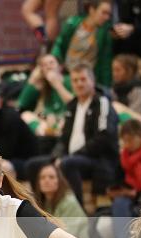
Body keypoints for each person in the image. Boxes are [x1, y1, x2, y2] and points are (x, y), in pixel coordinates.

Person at [26, 63, 120, 209]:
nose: (79, 84)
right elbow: (63, 139)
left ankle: (78, 212)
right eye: (75, 80)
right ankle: (42, 210)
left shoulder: (102, 103)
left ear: (92, 81)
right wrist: (56, 156)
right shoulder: (73, 105)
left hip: (97, 159)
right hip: (72, 157)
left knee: (68, 163)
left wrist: (71, 156)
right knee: (33, 165)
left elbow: (104, 137)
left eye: (83, 79)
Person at [32, 162, 90, 238]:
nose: (46, 180)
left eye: (51, 177)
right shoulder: (44, 204)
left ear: (59, 181)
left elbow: (65, 237)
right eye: (42, 177)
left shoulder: (69, 202)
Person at [110, 119, 141, 238]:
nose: (127, 144)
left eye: (130, 140)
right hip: (132, 196)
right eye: (124, 141)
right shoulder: (124, 156)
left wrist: (137, 192)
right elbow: (118, 179)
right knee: (119, 202)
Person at [0, 87, 39, 181]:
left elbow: (7, 151)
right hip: (5, 160)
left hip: (26, 161)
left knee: (0, 166)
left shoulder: (11, 117)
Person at [51, 0, 114, 87]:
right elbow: (59, 44)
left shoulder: (104, 33)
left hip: (86, 78)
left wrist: (106, 87)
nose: (107, 17)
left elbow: (105, 63)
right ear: (92, 10)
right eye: (104, 13)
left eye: (109, 14)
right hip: (66, 73)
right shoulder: (72, 24)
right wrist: (54, 62)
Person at [18, 53, 74, 148]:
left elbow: (73, 104)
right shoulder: (42, 85)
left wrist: (57, 84)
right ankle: (46, 134)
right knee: (25, 115)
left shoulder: (69, 80)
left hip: (65, 120)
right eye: (44, 65)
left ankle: (50, 135)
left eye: (51, 63)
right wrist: (33, 79)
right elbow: (21, 104)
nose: (48, 66)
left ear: (60, 67)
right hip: (47, 124)